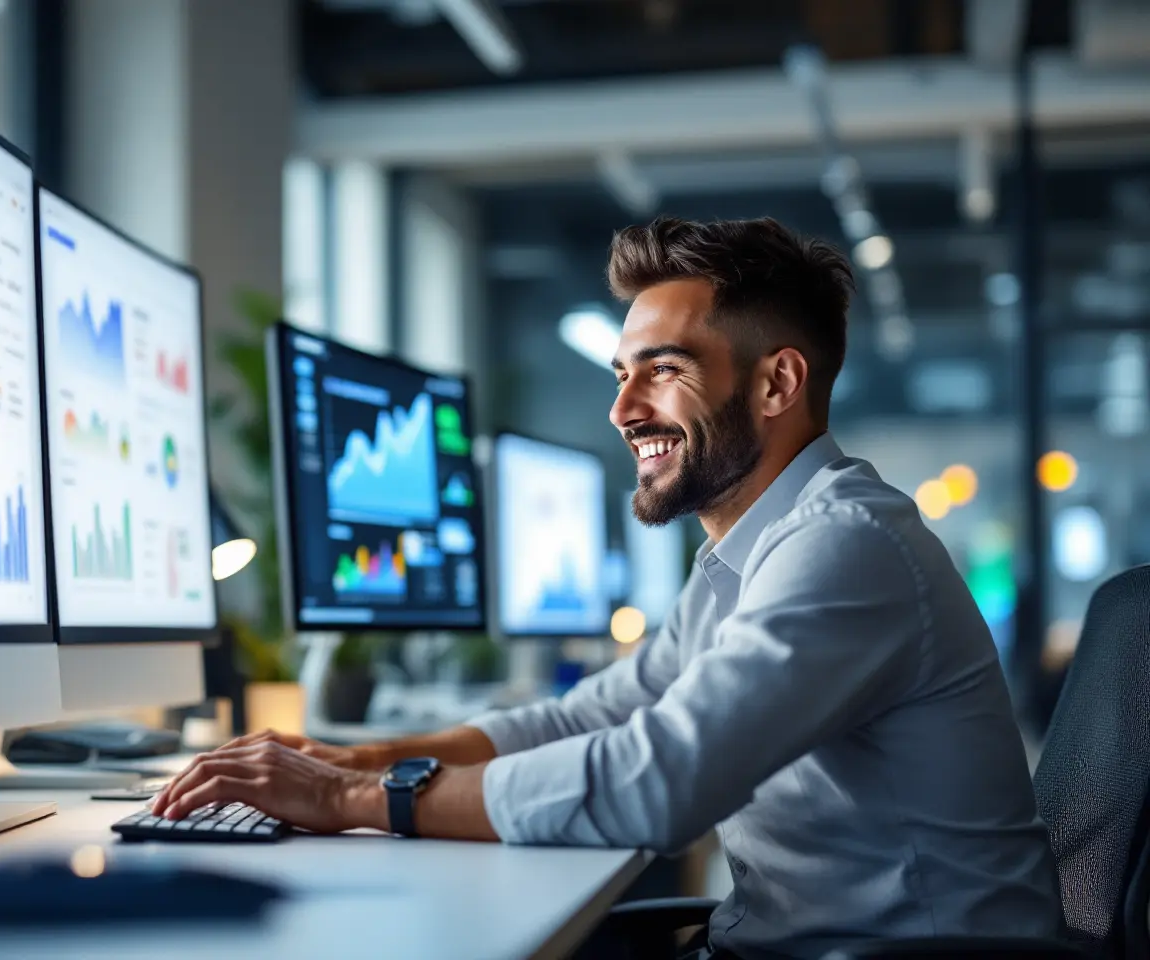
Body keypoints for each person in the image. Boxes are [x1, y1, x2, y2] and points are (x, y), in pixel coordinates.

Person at [153, 217, 1063, 958]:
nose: (624, 410)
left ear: (778, 382)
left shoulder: (845, 545)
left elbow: (660, 779)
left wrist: (347, 802)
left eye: (663, 370)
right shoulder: (748, 555)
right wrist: (354, 760)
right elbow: (596, 714)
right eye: (623, 375)